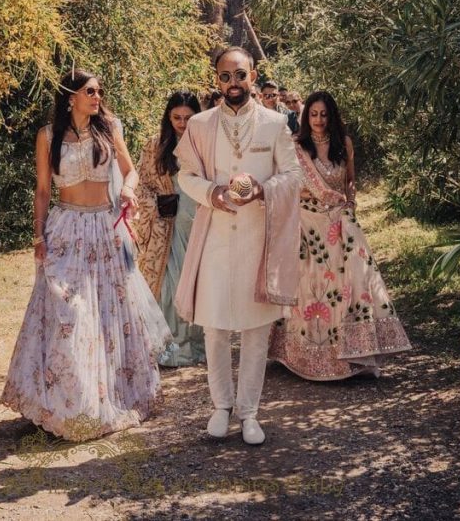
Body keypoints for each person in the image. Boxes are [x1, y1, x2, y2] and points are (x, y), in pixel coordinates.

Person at [0, 70, 171, 442]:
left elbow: (131, 173)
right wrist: (38, 233)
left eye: (99, 91)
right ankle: (67, 402)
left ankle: (109, 396)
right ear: (70, 97)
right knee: (69, 313)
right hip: (65, 230)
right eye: (89, 91)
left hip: (105, 229)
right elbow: (43, 190)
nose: (97, 97)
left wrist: (126, 191)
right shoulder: (47, 137)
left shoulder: (109, 129)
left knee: (108, 314)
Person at [174, 47, 302, 445]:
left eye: (240, 75)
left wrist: (263, 189)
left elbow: (294, 175)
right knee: (214, 327)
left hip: (257, 240)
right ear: (216, 79)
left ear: (253, 75)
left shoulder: (275, 123)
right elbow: (186, 175)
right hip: (214, 237)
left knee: (255, 329)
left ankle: (249, 413)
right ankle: (220, 407)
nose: (233, 83)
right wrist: (211, 193)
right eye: (225, 76)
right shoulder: (199, 124)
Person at [269, 91, 411, 380]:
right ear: (306, 117)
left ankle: (359, 350)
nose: (319, 120)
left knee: (356, 278)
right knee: (313, 287)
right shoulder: (296, 146)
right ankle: (309, 356)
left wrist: (349, 209)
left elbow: (350, 183)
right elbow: (286, 185)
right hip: (307, 224)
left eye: (324, 114)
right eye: (313, 114)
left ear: (332, 116)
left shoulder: (343, 144)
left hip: (340, 223)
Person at [134, 91, 206, 367]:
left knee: (195, 280)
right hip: (165, 222)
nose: (182, 123)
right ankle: (169, 345)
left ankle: (195, 344)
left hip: (197, 217)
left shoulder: (204, 143)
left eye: (188, 118)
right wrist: (157, 202)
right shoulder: (155, 145)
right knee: (170, 283)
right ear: (168, 117)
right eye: (176, 117)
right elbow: (141, 184)